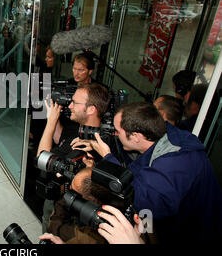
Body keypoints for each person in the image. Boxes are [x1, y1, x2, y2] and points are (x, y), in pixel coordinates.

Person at [83, 102, 222, 242]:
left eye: (118, 131)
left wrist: (108, 158)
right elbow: (135, 175)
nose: (114, 134)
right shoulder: (161, 139)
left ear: (136, 136)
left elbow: (143, 203)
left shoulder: (176, 161)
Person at [37, 83, 110, 232]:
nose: (69, 105)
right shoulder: (78, 126)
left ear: (91, 109)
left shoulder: (94, 145)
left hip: (66, 207)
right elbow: (60, 139)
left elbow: (42, 158)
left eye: (74, 102)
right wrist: (54, 117)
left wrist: (50, 122)